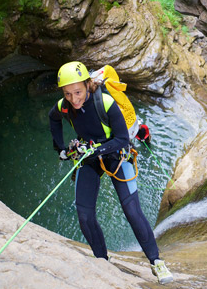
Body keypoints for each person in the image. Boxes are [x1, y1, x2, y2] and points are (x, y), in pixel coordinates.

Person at [48, 61, 173, 284]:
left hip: (116, 154)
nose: (74, 99)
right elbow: (53, 118)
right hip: (90, 157)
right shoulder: (64, 106)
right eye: (68, 94)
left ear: (88, 85)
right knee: (84, 216)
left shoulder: (105, 103)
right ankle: (102, 262)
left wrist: (97, 150)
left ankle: (156, 262)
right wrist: (61, 149)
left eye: (77, 92)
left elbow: (122, 139)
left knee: (131, 210)